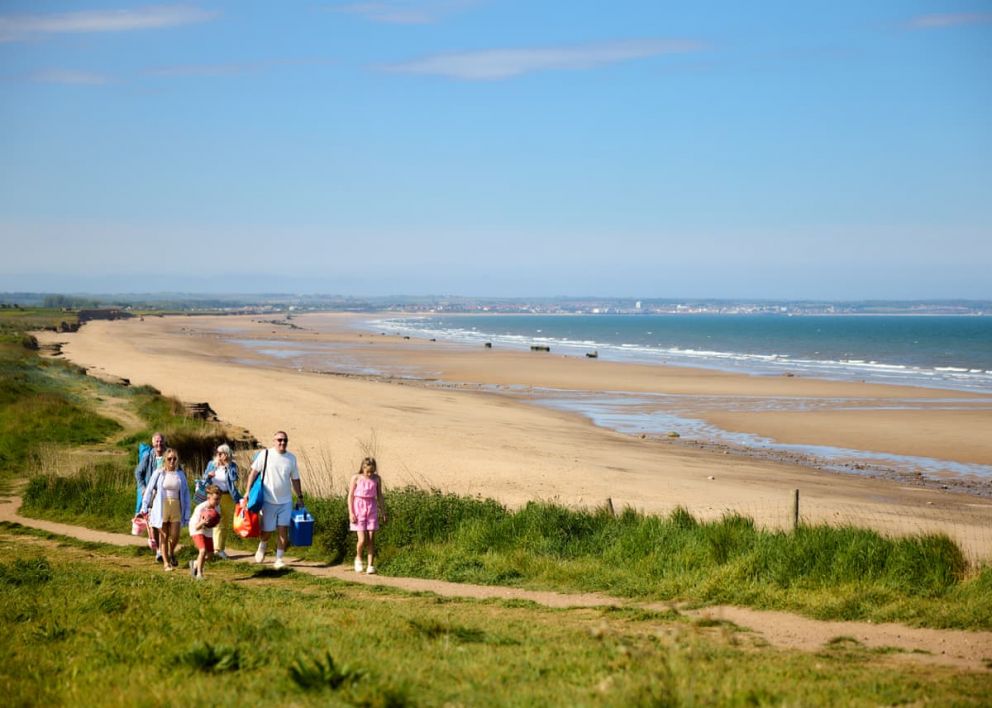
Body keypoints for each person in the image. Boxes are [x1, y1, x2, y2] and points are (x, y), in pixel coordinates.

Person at [242, 431, 304, 570]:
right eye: (279, 440)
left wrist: (300, 497)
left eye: (285, 440)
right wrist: (247, 492)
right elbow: (253, 473)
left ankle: (279, 559)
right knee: (267, 531)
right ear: (274, 440)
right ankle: (262, 545)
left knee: (283, 530)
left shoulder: (291, 458)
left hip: (285, 501)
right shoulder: (265, 455)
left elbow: (295, 479)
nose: (282, 443)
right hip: (268, 501)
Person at [141, 448, 191, 572]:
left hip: (176, 507)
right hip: (162, 507)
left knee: (175, 536)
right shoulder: (159, 473)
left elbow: (185, 494)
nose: (172, 461)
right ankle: (166, 563)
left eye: (174, 458)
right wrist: (144, 506)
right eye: (169, 459)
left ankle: (171, 552)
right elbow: (149, 490)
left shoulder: (180, 475)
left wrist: (187, 512)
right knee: (164, 536)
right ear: (165, 460)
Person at [200, 444, 241, 560]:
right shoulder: (211, 464)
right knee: (215, 521)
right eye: (217, 453)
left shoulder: (232, 466)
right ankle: (215, 549)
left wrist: (227, 467)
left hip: (227, 496)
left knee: (225, 524)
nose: (218, 455)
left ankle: (221, 549)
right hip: (214, 496)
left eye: (221, 453)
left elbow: (234, 480)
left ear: (227, 455)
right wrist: (209, 475)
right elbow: (204, 479)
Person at [348, 456, 385, 574]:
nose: (369, 474)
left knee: (371, 538)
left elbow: (379, 496)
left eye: (372, 471)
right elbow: (350, 497)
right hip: (358, 508)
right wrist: (351, 513)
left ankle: (370, 565)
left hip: (372, 508)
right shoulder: (356, 478)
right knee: (362, 539)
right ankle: (358, 558)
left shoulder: (377, 479)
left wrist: (383, 511)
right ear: (363, 468)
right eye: (367, 471)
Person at [134, 432, 166, 559]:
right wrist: (143, 488)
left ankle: (161, 547)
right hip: (152, 494)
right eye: (156, 441)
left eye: (161, 441)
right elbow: (138, 473)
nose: (159, 444)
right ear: (153, 443)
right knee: (153, 522)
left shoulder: (169, 455)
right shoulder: (148, 456)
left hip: (165, 494)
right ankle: (158, 550)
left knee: (163, 523)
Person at [188, 484, 221, 580]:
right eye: (215, 499)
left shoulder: (217, 508)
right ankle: (199, 574)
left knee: (210, 555)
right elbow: (196, 527)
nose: (217, 501)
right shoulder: (200, 508)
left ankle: (195, 563)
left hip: (207, 530)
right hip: (196, 528)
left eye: (219, 499)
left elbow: (216, 521)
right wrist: (202, 522)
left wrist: (214, 523)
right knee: (202, 551)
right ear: (208, 497)